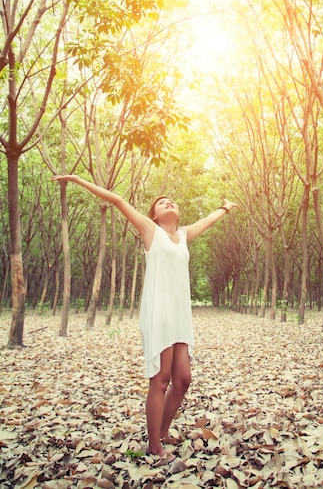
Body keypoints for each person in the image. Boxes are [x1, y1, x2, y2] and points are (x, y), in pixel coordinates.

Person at [52, 174, 238, 464]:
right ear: (154, 214)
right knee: (161, 379)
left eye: (172, 201)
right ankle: (154, 444)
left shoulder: (184, 235)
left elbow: (209, 220)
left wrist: (225, 208)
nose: (169, 203)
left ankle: (162, 431)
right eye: (162, 203)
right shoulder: (151, 230)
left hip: (180, 314)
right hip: (159, 311)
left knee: (183, 379)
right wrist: (77, 179)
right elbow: (116, 200)